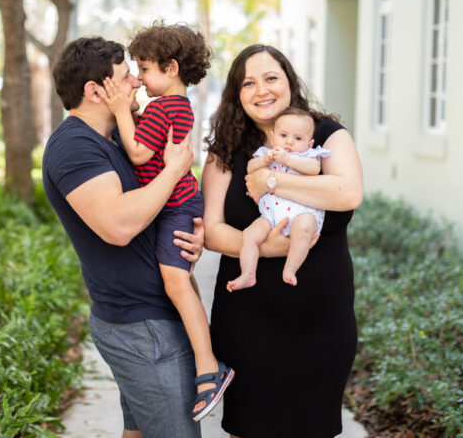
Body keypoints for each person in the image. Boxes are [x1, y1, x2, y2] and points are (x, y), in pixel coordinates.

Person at [42, 36, 205, 438]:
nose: (136, 83)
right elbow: (118, 226)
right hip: (141, 327)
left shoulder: (111, 139)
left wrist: (188, 234)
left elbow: (150, 210)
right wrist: (173, 170)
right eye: (125, 75)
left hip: (152, 321)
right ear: (95, 90)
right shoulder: (74, 147)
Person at [202, 44, 363, 437]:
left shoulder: (326, 135)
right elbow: (211, 229)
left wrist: (271, 180)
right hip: (247, 326)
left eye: (271, 78)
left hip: (321, 323)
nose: (262, 90)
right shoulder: (225, 148)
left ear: (289, 81)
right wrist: (262, 246)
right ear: (236, 94)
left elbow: (347, 192)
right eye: (248, 83)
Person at [101, 22, 233, 422]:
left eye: (144, 69)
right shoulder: (172, 106)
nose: (139, 79)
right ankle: (205, 356)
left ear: (171, 68)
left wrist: (122, 111)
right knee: (181, 282)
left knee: (176, 281)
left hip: (175, 208)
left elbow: (140, 154)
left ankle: (209, 368)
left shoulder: (166, 107)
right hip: (174, 206)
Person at [227, 107, 331, 292]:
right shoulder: (266, 153)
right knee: (250, 235)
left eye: (298, 138)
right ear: (273, 137)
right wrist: (263, 161)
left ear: (310, 143)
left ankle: (290, 269)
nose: (290, 142)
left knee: (304, 229)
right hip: (271, 214)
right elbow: (251, 168)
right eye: (284, 135)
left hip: (302, 212)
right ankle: (248, 274)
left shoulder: (307, 155)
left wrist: (288, 159)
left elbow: (314, 169)